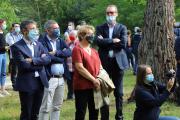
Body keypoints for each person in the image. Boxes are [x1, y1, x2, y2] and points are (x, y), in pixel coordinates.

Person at [11, 20, 51, 120]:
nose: (36, 31)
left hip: (40, 82)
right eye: (32, 29)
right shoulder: (16, 47)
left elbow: (48, 59)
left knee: (36, 113)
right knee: (27, 113)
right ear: (24, 31)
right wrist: (40, 62)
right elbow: (23, 65)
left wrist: (33, 60)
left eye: (36, 28)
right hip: (27, 84)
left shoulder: (39, 44)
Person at [95, 5, 129, 120]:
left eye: (112, 13)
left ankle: (119, 115)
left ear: (116, 14)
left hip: (118, 64)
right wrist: (113, 40)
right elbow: (98, 42)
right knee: (104, 92)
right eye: (108, 13)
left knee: (119, 93)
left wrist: (105, 41)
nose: (110, 15)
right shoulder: (100, 27)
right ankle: (105, 117)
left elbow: (123, 44)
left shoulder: (122, 28)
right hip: (104, 64)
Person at [38, 20, 71, 120]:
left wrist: (56, 53)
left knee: (57, 106)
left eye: (58, 27)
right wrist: (61, 56)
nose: (58, 30)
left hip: (61, 78)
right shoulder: (41, 42)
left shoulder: (60, 40)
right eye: (55, 28)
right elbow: (46, 58)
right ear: (48, 30)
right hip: (49, 78)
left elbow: (69, 52)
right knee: (46, 107)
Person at [72, 25, 101, 120]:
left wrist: (99, 80)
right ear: (82, 35)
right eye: (90, 34)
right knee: (81, 111)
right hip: (82, 86)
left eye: (93, 34)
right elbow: (79, 68)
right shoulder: (77, 49)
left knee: (95, 111)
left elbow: (99, 67)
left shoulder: (94, 51)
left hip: (95, 85)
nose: (92, 36)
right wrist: (93, 79)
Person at [5, 23, 23, 90]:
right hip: (14, 55)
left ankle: (20, 83)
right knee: (14, 70)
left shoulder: (21, 35)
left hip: (22, 55)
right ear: (12, 27)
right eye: (16, 26)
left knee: (21, 69)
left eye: (18, 26)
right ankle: (14, 84)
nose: (17, 27)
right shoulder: (9, 35)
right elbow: (13, 45)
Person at [65, 30, 79, 100]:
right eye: (70, 36)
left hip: (75, 66)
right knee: (69, 81)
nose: (71, 37)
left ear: (76, 36)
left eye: (72, 36)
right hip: (69, 66)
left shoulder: (78, 43)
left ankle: (75, 94)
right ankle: (70, 95)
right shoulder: (69, 44)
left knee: (75, 81)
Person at [0, 19, 10, 97]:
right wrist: (4, 47)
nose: (5, 25)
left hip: (4, 55)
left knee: (3, 73)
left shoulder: (3, 33)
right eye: (4, 23)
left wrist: (6, 47)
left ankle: (2, 89)